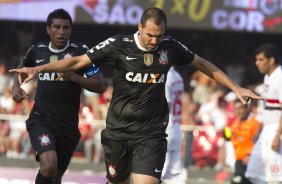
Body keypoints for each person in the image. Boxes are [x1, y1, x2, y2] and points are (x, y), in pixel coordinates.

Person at [10, 7, 261, 184]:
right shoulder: (118, 45)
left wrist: (236, 88)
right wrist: (39, 68)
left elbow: (204, 65)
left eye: (159, 35)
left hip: (150, 132)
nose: (154, 40)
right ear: (139, 27)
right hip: (118, 131)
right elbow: (76, 61)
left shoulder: (170, 47)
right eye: (150, 34)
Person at [11, 9, 105, 184]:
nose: (62, 32)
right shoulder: (37, 50)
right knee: (48, 165)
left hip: (68, 126)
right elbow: (20, 70)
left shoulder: (81, 52)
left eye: (66, 28)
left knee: (55, 177)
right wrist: (16, 89)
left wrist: (73, 77)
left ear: (70, 29)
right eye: (57, 27)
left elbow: (100, 84)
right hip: (41, 120)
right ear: (48, 29)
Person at [245, 43, 282, 184]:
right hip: (266, 130)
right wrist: (260, 129)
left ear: (271, 60)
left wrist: (278, 136)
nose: (257, 63)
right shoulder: (268, 78)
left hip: (276, 131)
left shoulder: (280, 77)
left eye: (261, 60)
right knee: (255, 174)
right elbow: (268, 108)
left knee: (275, 178)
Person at [162, 66, 187, 184]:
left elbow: (165, 104)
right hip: (176, 128)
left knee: (153, 174)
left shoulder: (166, 76)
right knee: (174, 174)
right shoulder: (178, 76)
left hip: (164, 129)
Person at [229, 99, 260, 184]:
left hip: (249, 160)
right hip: (238, 159)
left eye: (240, 108)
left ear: (247, 108)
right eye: (235, 109)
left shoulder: (254, 123)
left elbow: (258, 142)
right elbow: (232, 139)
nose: (238, 111)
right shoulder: (235, 123)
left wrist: (250, 155)